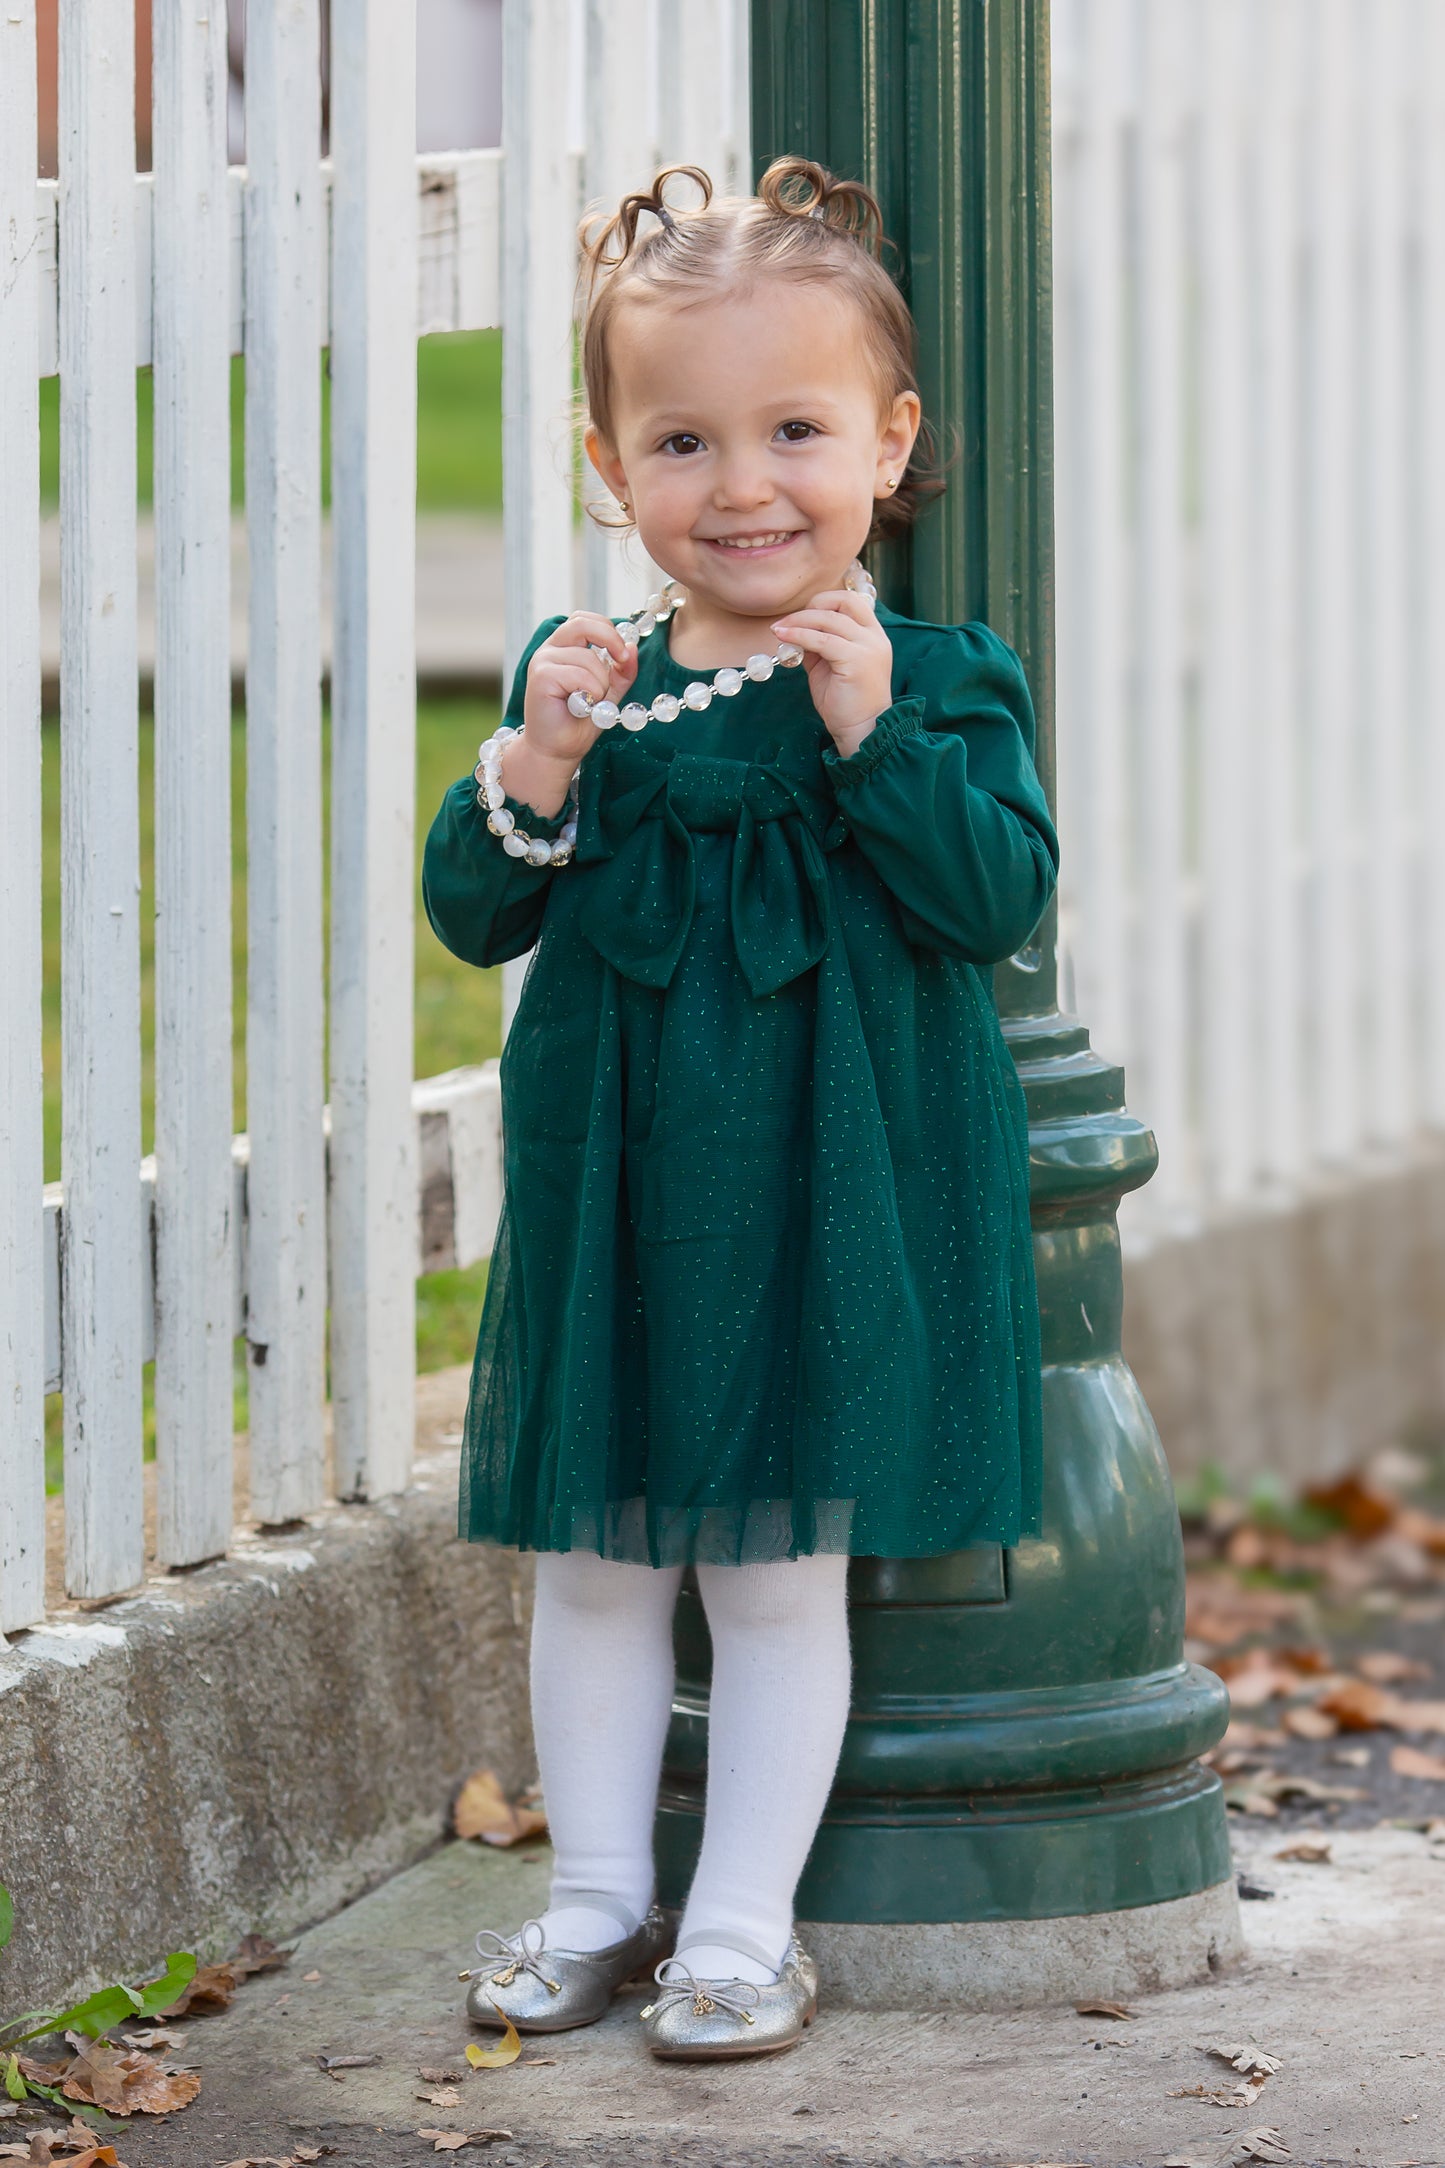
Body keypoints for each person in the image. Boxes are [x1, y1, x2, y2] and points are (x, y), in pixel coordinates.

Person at [422, 156, 1058, 2061]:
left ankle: (736, 1928)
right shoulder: (599, 694)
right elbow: (477, 906)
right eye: (682, 440)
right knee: (596, 1560)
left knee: (774, 1578)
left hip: (820, 1197)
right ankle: (592, 1898)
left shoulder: (931, 681)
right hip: (619, 1194)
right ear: (612, 467)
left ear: (889, 442)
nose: (742, 484)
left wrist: (873, 736)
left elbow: (992, 900)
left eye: (795, 430)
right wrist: (529, 752)